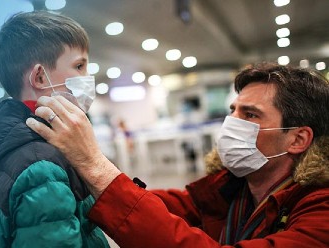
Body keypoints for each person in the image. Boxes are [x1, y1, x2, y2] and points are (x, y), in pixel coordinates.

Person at [26, 62, 329, 247]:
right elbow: (164, 207)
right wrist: (86, 187)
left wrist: (95, 165)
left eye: (250, 115)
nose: (231, 123)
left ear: (298, 138)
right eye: (232, 111)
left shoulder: (320, 214)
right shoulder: (232, 190)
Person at [0, 11, 108, 247]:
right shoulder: (40, 167)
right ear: (40, 78)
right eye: (79, 66)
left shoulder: (33, 145)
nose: (88, 77)